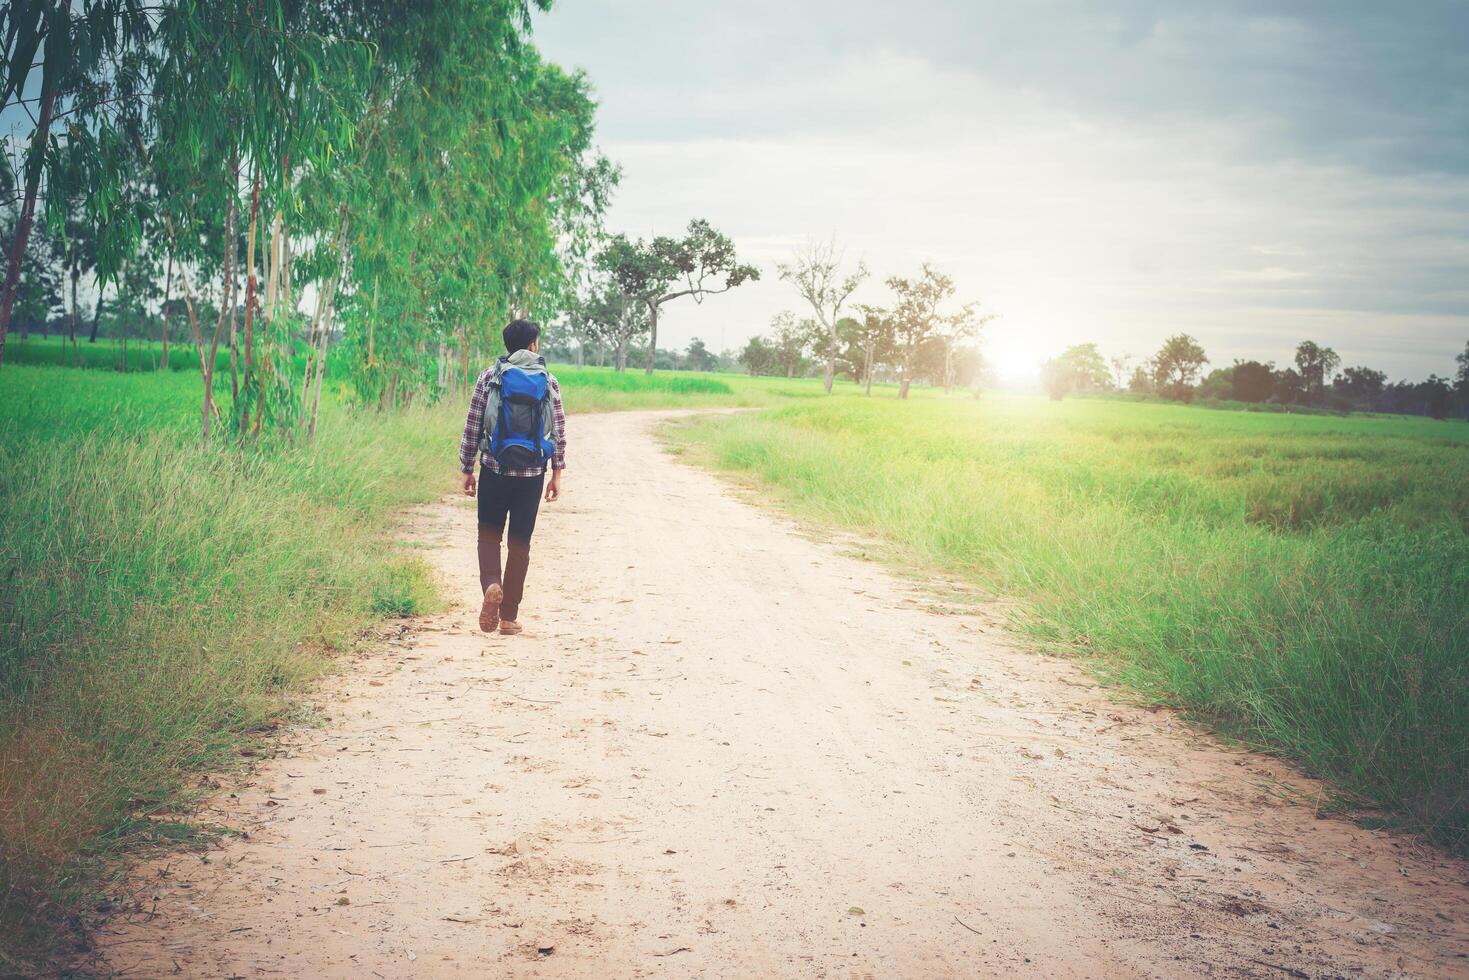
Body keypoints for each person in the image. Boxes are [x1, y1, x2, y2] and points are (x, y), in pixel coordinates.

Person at [458, 319, 566, 635]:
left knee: (489, 536)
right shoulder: (549, 380)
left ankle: (492, 584)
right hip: (532, 474)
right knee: (520, 544)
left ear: (508, 346)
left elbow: (473, 425)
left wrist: (467, 467)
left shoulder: (489, 377)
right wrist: (556, 474)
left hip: (495, 469)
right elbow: (558, 431)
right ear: (533, 345)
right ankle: (508, 617)